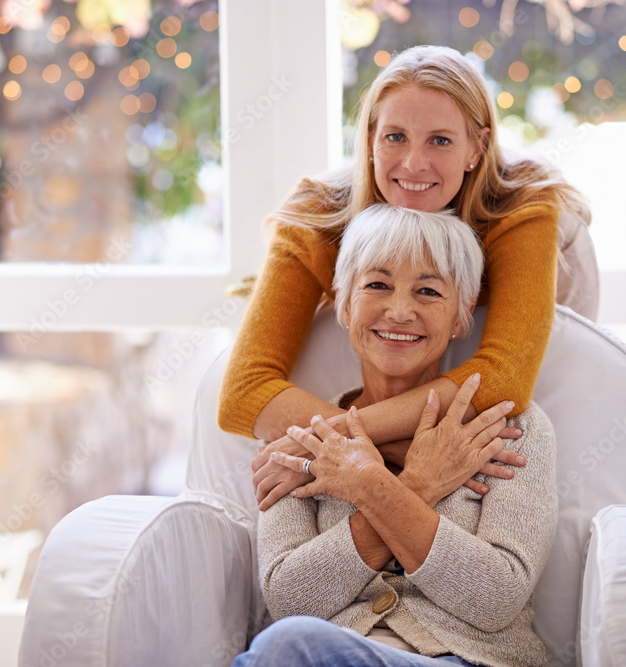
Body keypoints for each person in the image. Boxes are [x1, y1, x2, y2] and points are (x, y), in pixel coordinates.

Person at [217, 45, 589, 510]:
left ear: (477, 147)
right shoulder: (315, 212)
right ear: (369, 139)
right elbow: (243, 392)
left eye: (440, 140)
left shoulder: (522, 203)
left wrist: (335, 444)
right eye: (395, 137)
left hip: (566, 280)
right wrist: (381, 453)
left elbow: (504, 378)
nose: (413, 163)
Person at [232, 204, 558, 667]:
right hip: (323, 657)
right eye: (377, 285)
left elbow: (496, 598)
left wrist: (367, 486)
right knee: (287, 644)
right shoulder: (300, 436)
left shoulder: (507, 428)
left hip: (469, 660)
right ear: (346, 304)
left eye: (428, 291)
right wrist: (418, 485)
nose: (400, 311)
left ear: (462, 316)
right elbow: (291, 600)